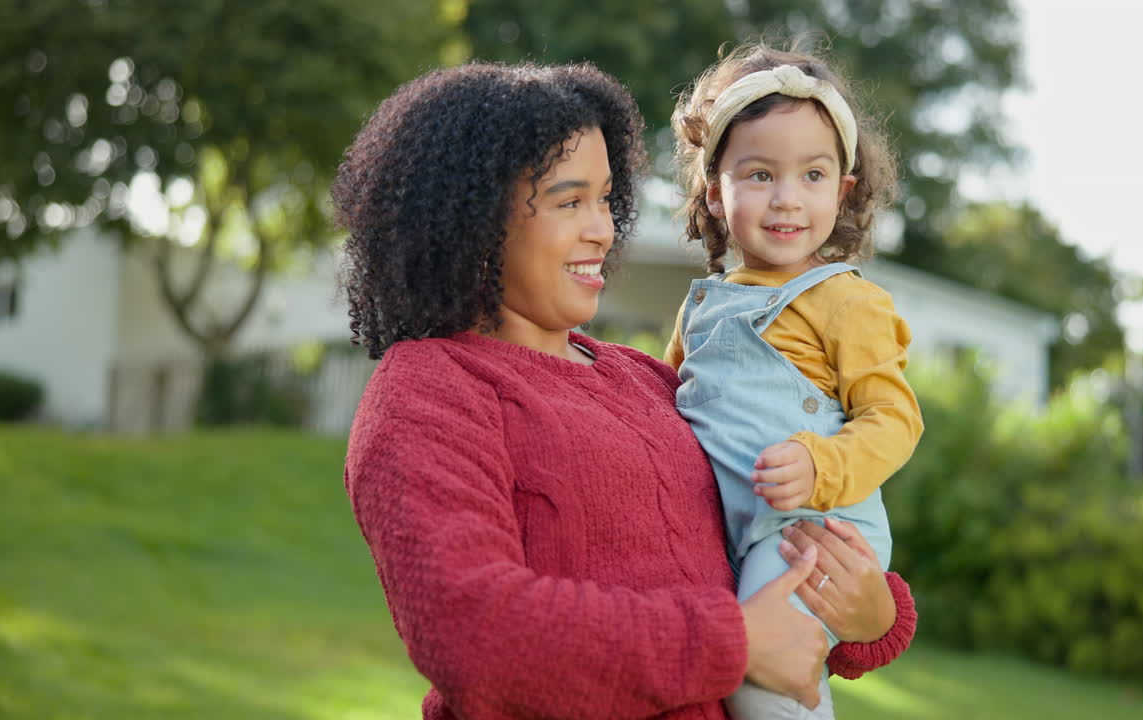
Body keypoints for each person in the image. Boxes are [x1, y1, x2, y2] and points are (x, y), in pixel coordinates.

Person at [334, 60, 916, 719]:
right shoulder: (429, 392)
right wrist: (734, 642)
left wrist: (874, 616)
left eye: (606, 199)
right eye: (569, 201)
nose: (603, 229)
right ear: (474, 219)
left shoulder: (651, 381)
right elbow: (475, 634)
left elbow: (754, 563)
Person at [665, 43, 925, 719]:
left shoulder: (847, 301)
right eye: (760, 174)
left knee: (762, 681)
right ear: (715, 191)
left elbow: (895, 420)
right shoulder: (703, 307)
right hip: (741, 532)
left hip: (814, 530)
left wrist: (819, 465)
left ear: (842, 191)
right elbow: (663, 408)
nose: (787, 198)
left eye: (812, 175)